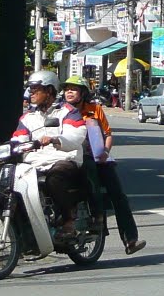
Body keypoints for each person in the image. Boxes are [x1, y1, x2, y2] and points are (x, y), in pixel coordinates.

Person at [62, 76, 146, 255]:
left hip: (99, 158)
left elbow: (107, 134)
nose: (69, 92)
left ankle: (130, 239)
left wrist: (105, 153)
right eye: (67, 88)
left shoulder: (95, 110)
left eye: (74, 89)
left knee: (118, 195)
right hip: (73, 158)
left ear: (83, 93)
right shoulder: (61, 112)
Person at [12, 70, 88, 237]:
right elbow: (18, 139)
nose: (30, 93)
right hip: (36, 162)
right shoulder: (28, 117)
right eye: (30, 89)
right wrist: (3, 148)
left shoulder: (68, 112)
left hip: (64, 158)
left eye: (35, 89)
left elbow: (76, 135)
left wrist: (55, 139)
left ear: (49, 91)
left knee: (55, 178)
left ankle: (68, 221)